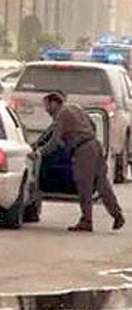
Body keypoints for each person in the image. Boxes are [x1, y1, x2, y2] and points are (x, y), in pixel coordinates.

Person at [29, 90, 125, 232]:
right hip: (94, 144)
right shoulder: (75, 107)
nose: (46, 109)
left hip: (83, 150)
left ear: (54, 103)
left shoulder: (61, 115)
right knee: (102, 184)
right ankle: (117, 214)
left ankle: (86, 220)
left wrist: (38, 153)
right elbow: (92, 125)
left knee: (84, 185)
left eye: (47, 105)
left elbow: (53, 142)